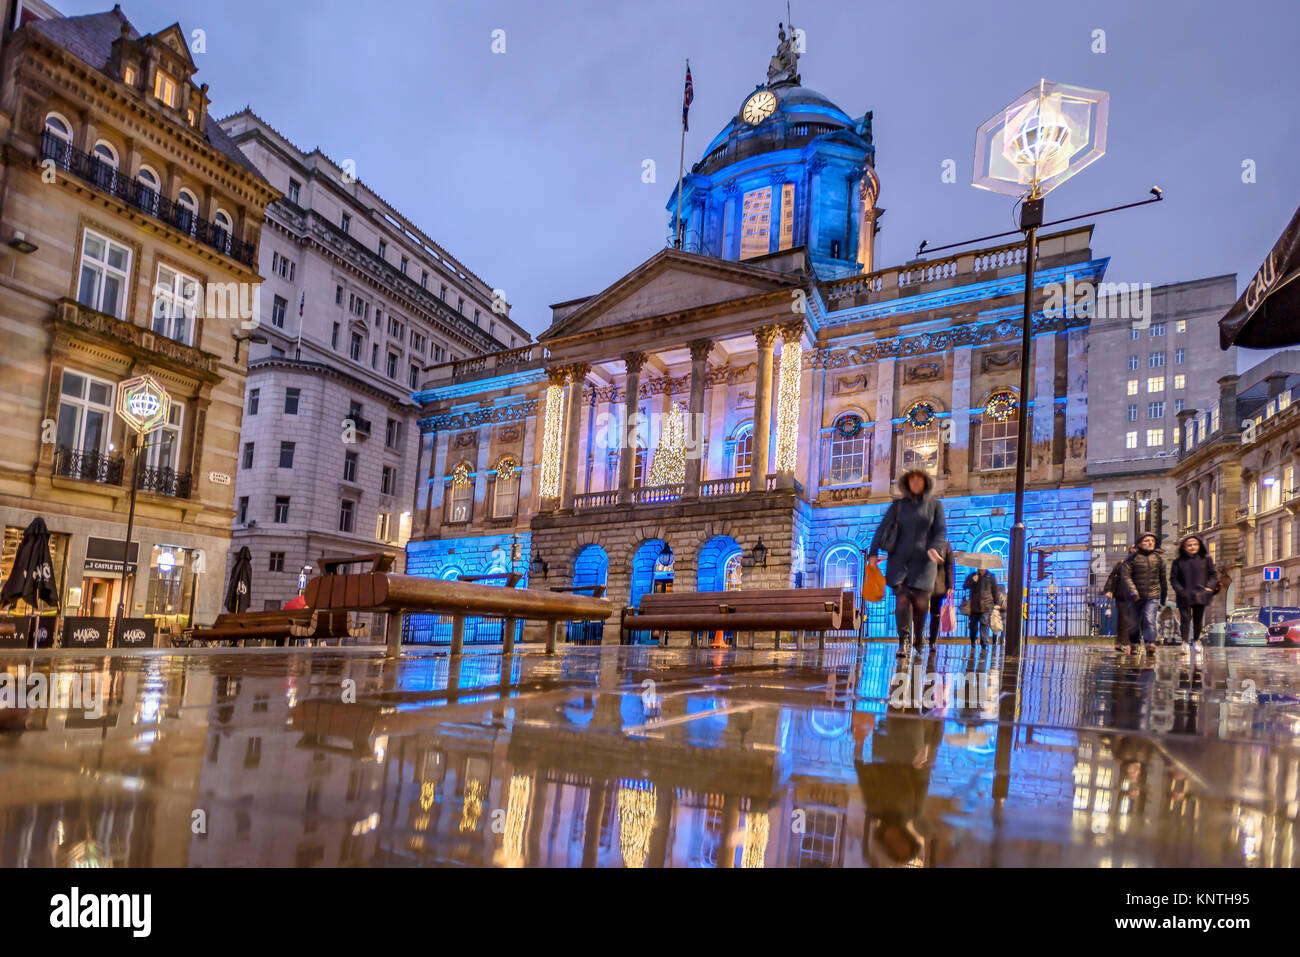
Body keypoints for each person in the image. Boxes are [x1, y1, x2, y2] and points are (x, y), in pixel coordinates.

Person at [866, 469, 947, 657]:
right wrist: (873, 552)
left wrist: (936, 548)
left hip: (924, 563)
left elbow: (941, 531)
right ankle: (903, 641)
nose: (916, 483)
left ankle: (918, 636)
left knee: (920, 604)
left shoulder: (935, 506)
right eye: (912, 480)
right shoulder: (898, 506)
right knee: (902, 601)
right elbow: (882, 529)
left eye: (919, 480)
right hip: (899, 561)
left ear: (925, 483)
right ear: (907, 484)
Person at [1119, 533, 1168, 655]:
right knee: (1134, 623)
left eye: (1152, 540)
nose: (1150, 542)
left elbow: (1163, 579)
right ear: (1140, 543)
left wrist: (1163, 596)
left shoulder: (1158, 559)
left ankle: (1150, 643)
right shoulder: (1131, 559)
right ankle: (1134, 643)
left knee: (1149, 619)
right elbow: (1126, 577)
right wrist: (1133, 592)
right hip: (1135, 597)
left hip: (1153, 595)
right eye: (1146, 540)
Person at [1171, 534, 1219, 649]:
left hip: (1200, 594)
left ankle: (1197, 640)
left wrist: (1209, 587)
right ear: (1184, 547)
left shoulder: (1206, 559)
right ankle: (1185, 642)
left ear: (1199, 546)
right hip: (1184, 594)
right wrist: (1180, 590)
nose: (1192, 547)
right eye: (1189, 545)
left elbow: (1213, 575)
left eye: (1195, 545)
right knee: (1185, 619)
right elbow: (1173, 578)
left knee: (1198, 619)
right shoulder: (1178, 562)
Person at [1104, 544, 1138, 652]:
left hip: (1136, 595)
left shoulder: (1140, 564)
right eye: (1132, 549)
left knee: (1135, 619)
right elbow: (1112, 577)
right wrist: (1110, 590)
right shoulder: (1122, 563)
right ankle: (1122, 642)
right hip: (1122, 594)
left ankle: (1132, 643)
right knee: (1123, 618)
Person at [963, 567, 1001, 648]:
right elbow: (965, 586)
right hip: (974, 606)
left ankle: (984, 643)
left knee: (984, 624)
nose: (981, 569)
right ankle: (973, 640)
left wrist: (996, 603)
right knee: (973, 626)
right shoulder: (972, 576)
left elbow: (995, 590)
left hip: (987, 606)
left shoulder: (990, 577)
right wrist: (973, 581)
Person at [927, 540, 955, 647]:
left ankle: (932, 641)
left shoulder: (946, 545)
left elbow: (950, 566)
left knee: (935, 614)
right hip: (922, 583)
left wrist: (950, 585)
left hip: (937, 585)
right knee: (918, 612)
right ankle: (918, 638)